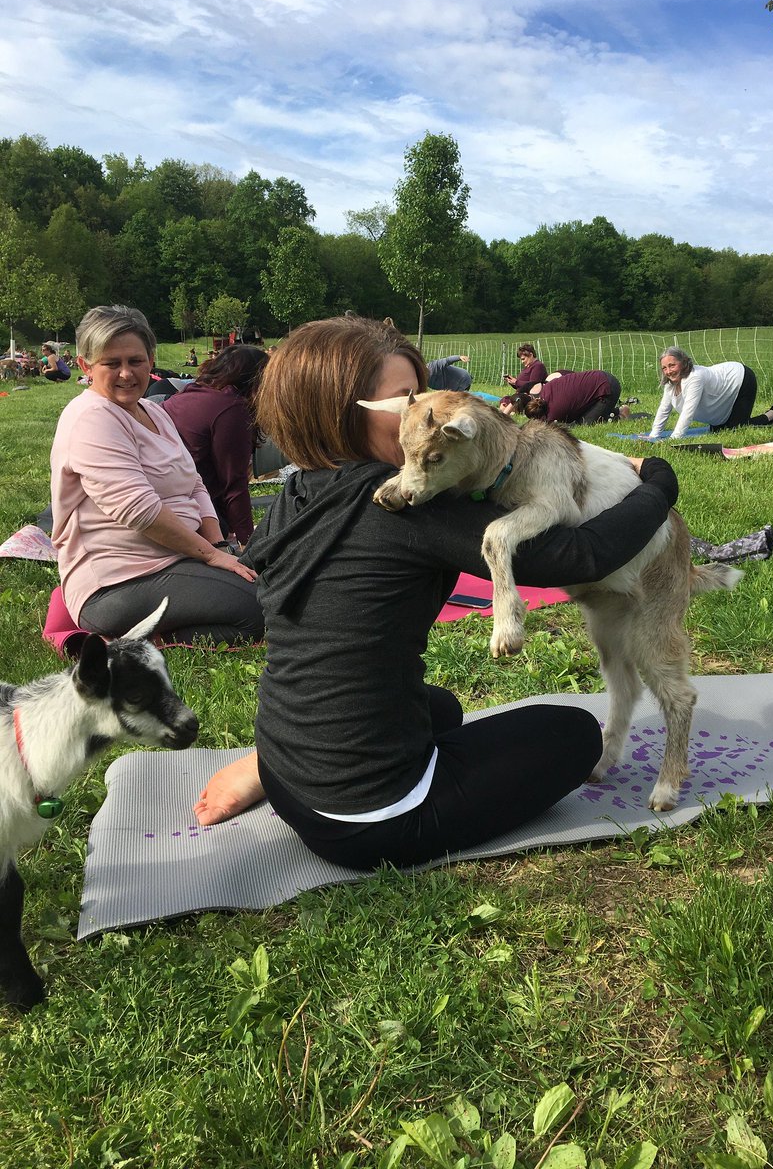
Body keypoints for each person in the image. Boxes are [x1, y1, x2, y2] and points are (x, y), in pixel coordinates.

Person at [192, 315, 679, 871]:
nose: (426, 411)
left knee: (441, 706)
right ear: (346, 412)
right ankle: (368, 790)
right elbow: (584, 555)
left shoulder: (298, 488)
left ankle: (268, 765)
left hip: (287, 772)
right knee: (573, 734)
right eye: (407, 399)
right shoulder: (407, 506)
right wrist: (658, 483)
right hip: (372, 821)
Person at [50, 305, 264, 645]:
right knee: (262, 607)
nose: (126, 374)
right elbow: (139, 510)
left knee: (272, 582)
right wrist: (211, 556)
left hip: (178, 558)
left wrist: (218, 543)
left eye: (135, 361)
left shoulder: (153, 411)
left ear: (151, 360)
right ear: (86, 366)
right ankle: (143, 640)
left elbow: (194, 482)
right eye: (112, 363)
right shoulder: (91, 418)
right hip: (118, 579)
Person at [161, 345, 268, 549]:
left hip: (166, 503)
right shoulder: (232, 408)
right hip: (191, 514)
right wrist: (249, 544)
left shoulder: (190, 392)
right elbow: (234, 484)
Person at [648, 348, 773, 440]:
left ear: (683, 363)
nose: (668, 371)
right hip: (723, 391)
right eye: (664, 368)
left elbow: (688, 411)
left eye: (672, 365)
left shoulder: (695, 377)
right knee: (718, 430)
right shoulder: (670, 384)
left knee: (735, 429)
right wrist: (654, 435)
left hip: (741, 379)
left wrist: (675, 438)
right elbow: (664, 409)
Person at [516, 369, 626, 424]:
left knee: (585, 422)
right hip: (600, 376)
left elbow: (567, 424)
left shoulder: (554, 412)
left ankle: (621, 415)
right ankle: (613, 411)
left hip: (608, 388)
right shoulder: (545, 389)